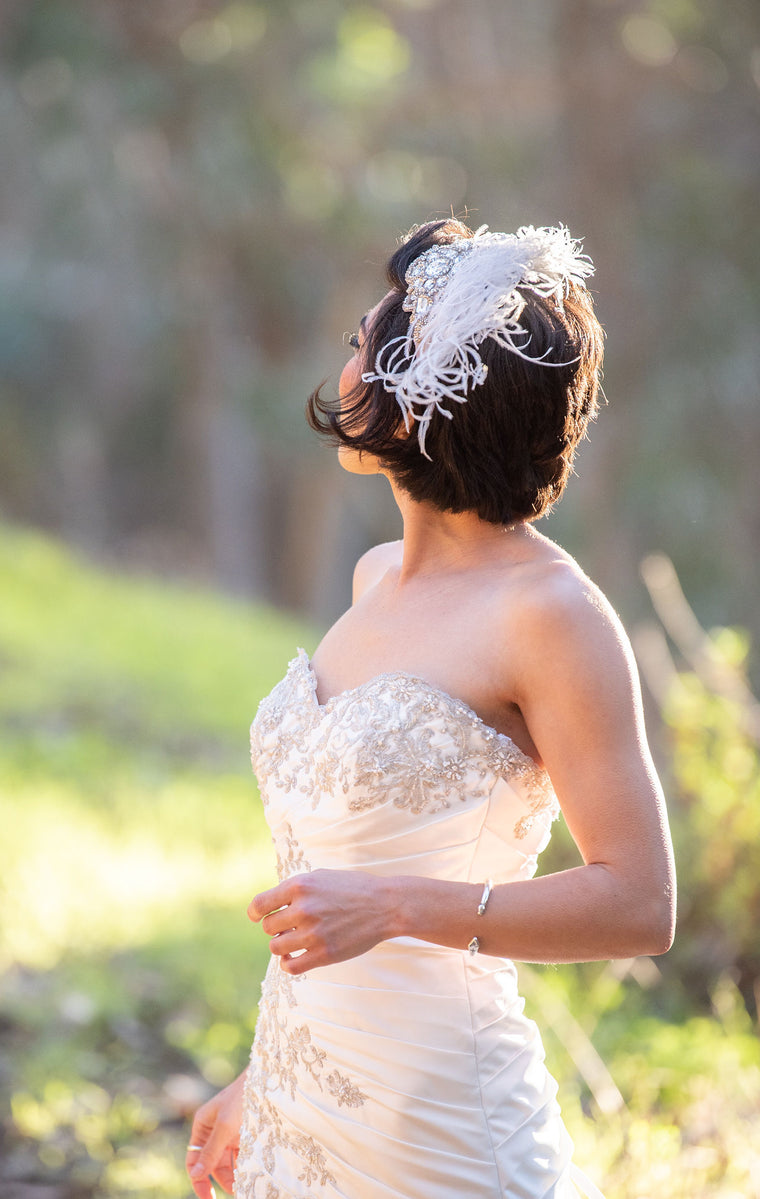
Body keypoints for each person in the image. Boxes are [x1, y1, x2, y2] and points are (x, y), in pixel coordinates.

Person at [185, 218, 676, 1199]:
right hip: (310, 1113)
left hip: (446, 1131)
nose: (345, 365)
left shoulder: (555, 618)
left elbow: (639, 901)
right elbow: (326, 888)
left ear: (417, 404)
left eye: (361, 347)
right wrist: (267, 1077)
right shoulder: (371, 582)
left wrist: (405, 904)